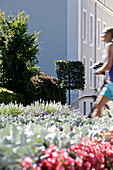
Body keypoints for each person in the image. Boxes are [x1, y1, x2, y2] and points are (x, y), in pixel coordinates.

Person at [91, 27, 113, 119]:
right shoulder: (109, 45)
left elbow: (108, 64)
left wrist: (99, 71)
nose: (101, 35)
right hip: (110, 81)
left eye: (103, 33)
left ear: (109, 34)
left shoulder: (110, 46)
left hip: (112, 82)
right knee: (98, 105)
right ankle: (96, 129)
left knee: (98, 105)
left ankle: (96, 129)